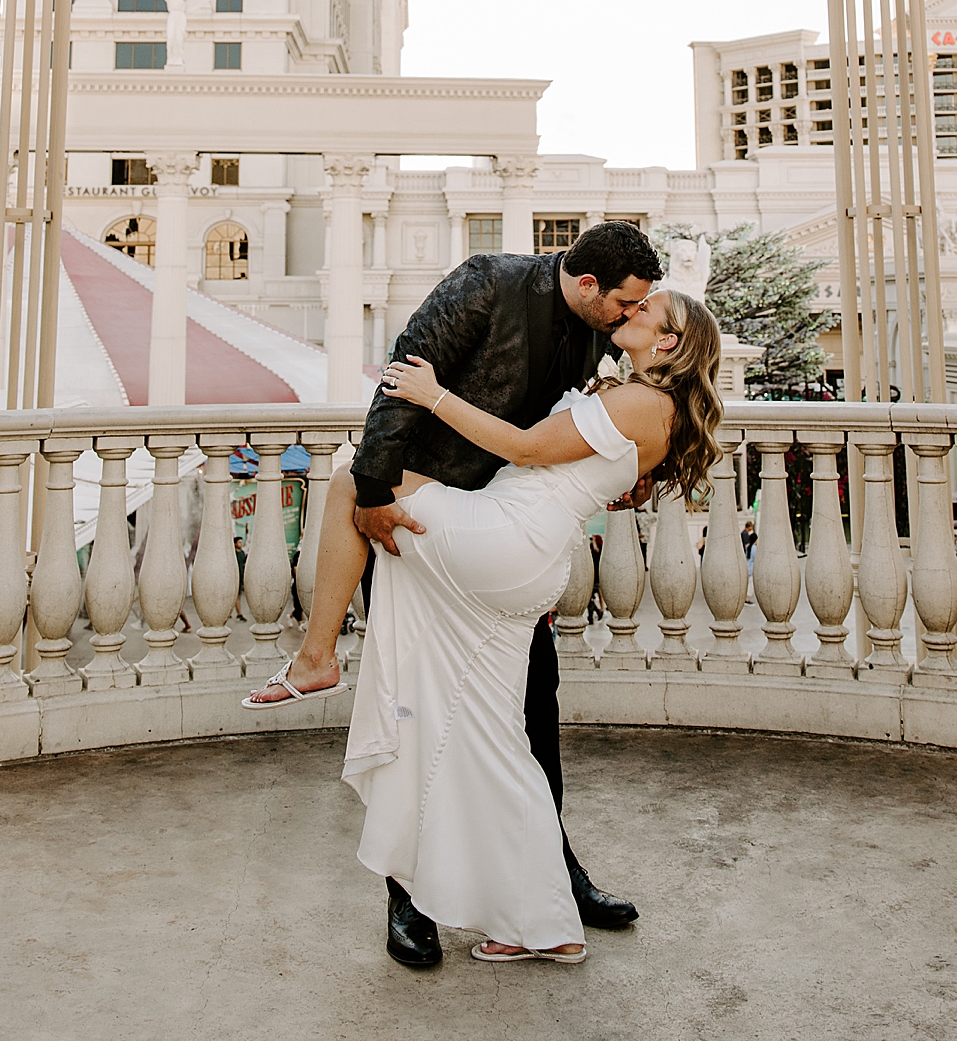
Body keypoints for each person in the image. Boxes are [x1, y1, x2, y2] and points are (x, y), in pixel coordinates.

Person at [243, 219, 663, 965]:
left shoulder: (605, 327)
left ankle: (550, 880)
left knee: (531, 718)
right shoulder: (487, 281)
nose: (633, 316)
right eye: (626, 303)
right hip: (420, 518)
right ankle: (411, 902)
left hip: (499, 536)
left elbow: (590, 429)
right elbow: (402, 385)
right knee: (413, 709)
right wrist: (371, 491)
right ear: (589, 284)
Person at [346, 287, 720, 963]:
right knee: (495, 740)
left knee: (360, 485)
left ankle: (315, 656)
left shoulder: (640, 402)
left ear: (668, 343)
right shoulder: (640, 397)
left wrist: (431, 395)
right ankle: (540, 921)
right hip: (523, 557)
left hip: (505, 542)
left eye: (646, 312)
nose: (631, 314)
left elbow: (522, 448)